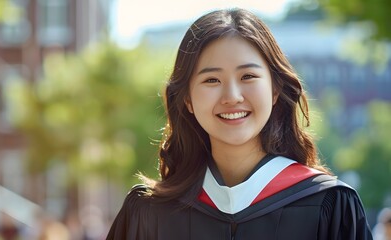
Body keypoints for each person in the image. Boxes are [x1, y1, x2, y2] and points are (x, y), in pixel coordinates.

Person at [106, 8, 373, 240]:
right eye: (212, 80)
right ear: (187, 98)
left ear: (275, 90)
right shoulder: (147, 212)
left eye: (248, 76)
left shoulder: (329, 204)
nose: (232, 97)